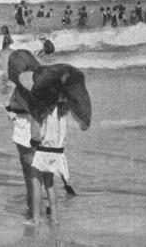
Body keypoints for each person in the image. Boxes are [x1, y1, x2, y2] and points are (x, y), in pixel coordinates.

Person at [6, 49, 91, 224]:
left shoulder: (23, 91)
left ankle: (35, 215)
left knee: (32, 179)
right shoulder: (59, 107)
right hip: (55, 150)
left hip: (30, 139)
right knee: (49, 184)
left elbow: (33, 122)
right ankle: (54, 217)